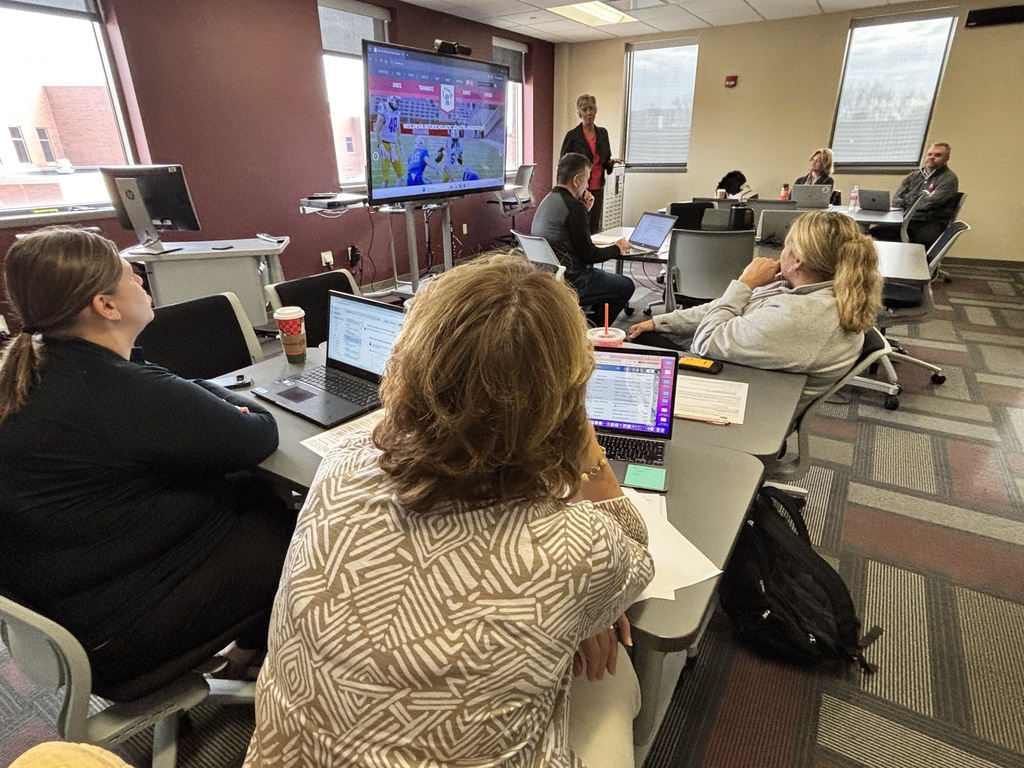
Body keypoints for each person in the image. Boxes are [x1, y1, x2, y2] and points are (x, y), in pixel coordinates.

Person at [245, 254, 654, 768]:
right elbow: (635, 556)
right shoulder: (578, 545)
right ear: (566, 400)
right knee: (614, 677)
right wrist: (591, 462)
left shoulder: (340, 469)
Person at [0, 227, 294, 696]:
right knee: (299, 529)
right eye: (128, 275)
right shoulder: (112, 389)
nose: (139, 276)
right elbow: (259, 432)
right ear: (106, 306)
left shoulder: (35, 367)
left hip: (67, 609)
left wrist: (187, 391)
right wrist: (213, 396)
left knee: (245, 487)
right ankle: (286, 663)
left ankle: (249, 646)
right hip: (118, 634)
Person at [627, 210, 882, 414]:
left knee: (634, 369)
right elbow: (724, 309)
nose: (781, 251)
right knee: (644, 339)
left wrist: (745, 284)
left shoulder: (804, 315)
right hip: (749, 375)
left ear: (798, 260)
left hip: (750, 402)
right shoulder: (804, 291)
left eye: (786, 245)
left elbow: (707, 342)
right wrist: (661, 322)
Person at [531, 152, 635, 324]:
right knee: (625, 285)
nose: (587, 185)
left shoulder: (548, 201)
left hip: (546, 275)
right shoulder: (573, 208)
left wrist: (585, 210)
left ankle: (581, 323)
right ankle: (593, 330)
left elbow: (569, 233)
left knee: (606, 282)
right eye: (586, 180)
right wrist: (618, 247)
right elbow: (589, 255)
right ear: (576, 180)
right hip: (574, 281)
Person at [559, 94, 622, 233]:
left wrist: (612, 163)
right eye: (585, 109)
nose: (589, 113)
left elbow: (605, 159)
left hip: (598, 186)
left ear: (596, 110)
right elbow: (564, 163)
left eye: (591, 109)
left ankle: (594, 251)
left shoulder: (603, 133)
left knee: (595, 224)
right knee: (581, 223)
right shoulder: (573, 136)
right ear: (579, 113)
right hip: (579, 187)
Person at [884, 142, 959, 247]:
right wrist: (920, 197)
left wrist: (908, 199)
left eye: (937, 155)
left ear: (946, 158)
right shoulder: (912, 176)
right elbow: (896, 201)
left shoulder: (949, 179)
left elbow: (928, 204)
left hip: (929, 222)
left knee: (917, 239)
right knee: (875, 233)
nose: (932, 157)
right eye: (930, 154)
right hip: (906, 219)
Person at [373, 94, 406, 188]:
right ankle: (381, 196)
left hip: (393, 145)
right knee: (386, 179)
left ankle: (396, 196)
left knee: (401, 176)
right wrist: (382, 147)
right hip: (385, 144)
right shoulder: (384, 109)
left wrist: (401, 146)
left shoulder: (397, 112)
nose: (399, 104)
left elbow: (398, 132)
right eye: (397, 101)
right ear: (392, 100)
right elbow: (377, 131)